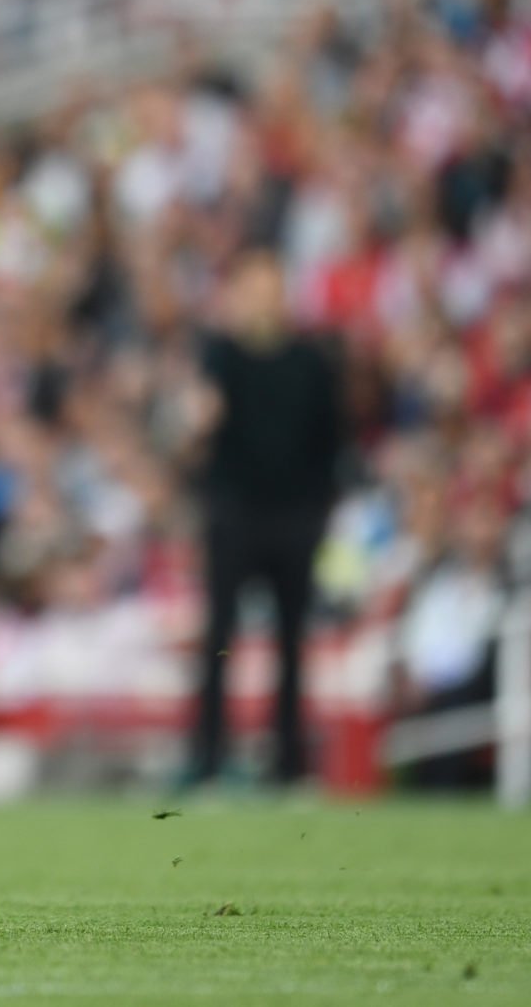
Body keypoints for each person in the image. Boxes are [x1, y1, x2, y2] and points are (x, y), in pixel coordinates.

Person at [183, 248, 343, 789]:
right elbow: (197, 432)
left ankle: (290, 764)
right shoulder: (219, 356)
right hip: (234, 513)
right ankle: (206, 759)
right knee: (219, 638)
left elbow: (330, 442)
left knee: (292, 641)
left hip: (294, 516)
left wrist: (319, 511)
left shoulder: (312, 361)